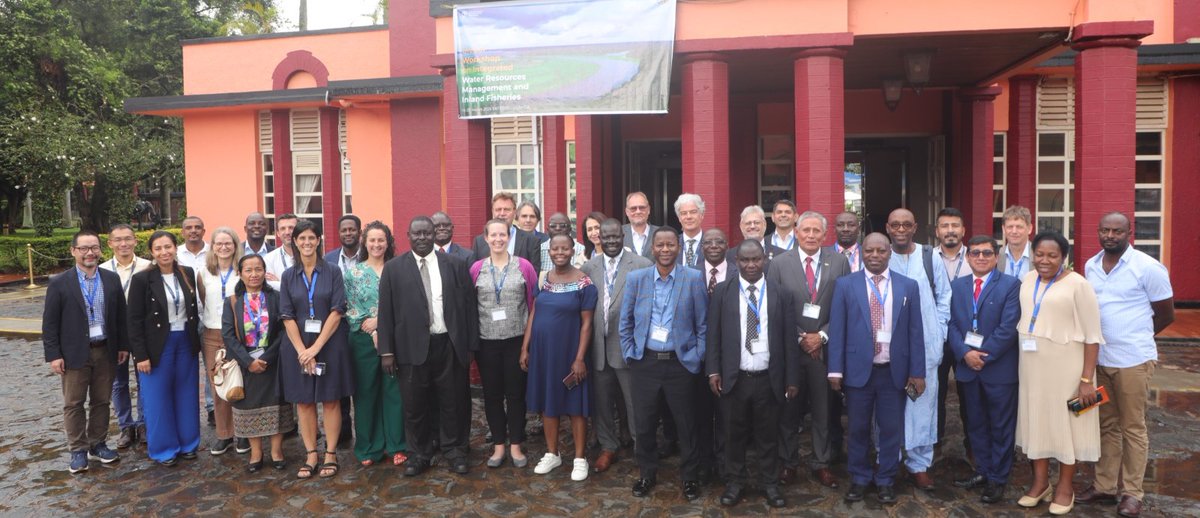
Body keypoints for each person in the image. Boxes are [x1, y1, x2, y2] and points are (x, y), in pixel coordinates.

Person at [1078, 212, 1175, 518]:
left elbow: (1166, 314)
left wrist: (1138, 335)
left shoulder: (1147, 268)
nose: (1110, 235)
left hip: (1133, 361)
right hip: (1100, 362)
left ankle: (1132, 493)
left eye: (1117, 231)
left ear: (1128, 233)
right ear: (1098, 232)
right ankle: (1104, 486)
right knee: (1106, 424)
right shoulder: (1090, 266)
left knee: (1133, 427)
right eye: (1105, 230)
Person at [827, 232, 926, 505]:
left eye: (880, 251)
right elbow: (837, 330)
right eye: (869, 250)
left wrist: (917, 372)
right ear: (863, 252)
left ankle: (885, 479)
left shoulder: (908, 286)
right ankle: (859, 478)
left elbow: (916, 332)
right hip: (859, 372)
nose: (874, 255)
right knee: (857, 428)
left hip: (892, 372)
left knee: (891, 429)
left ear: (889, 253)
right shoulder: (846, 285)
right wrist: (835, 370)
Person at [378, 216, 478, 476]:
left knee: (453, 400)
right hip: (410, 348)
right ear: (408, 236)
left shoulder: (455, 265)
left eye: (427, 233)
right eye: (417, 234)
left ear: (434, 235)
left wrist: (470, 345)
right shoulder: (394, 268)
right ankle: (420, 453)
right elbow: (385, 312)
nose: (422, 238)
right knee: (414, 404)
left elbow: (468, 307)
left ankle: (455, 450)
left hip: (449, 344)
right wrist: (386, 351)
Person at [1014, 231, 1103, 515]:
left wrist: (1087, 380)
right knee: (1037, 421)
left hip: (1069, 369)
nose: (1044, 260)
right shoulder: (1027, 280)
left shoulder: (1079, 285)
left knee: (1069, 426)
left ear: (1064, 257)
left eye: (1052, 255)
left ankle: (1066, 487)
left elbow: (1092, 336)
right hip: (1032, 367)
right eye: (1039, 254)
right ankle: (1040, 483)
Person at [707, 240, 799, 508]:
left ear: (764, 260)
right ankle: (735, 482)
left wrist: (792, 378)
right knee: (733, 435)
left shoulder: (781, 294)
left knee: (768, 436)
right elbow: (714, 336)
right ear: (736, 262)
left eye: (756, 260)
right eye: (745, 260)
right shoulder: (723, 292)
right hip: (735, 379)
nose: (750, 265)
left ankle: (770, 483)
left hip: (768, 380)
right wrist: (713, 371)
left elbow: (789, 342)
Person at [620, 226, 708, 501]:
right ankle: (647, 473)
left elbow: (702, 325)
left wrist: (695, 358)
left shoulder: (693, 278)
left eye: (671, 244)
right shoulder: (637, 279)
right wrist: (630, 354)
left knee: (686, 423)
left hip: (680, 364)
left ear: (678, 247)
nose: (666, 249)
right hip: (645, 363)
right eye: (660, 245)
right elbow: (626, 322)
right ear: (652, 248)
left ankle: (690, 477)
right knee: (644, 423)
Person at [769, 211, 851, 489]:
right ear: (796, 230)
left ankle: (821, 462)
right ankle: (788, 462)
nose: (812, 236)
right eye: (806, 231)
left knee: (823, 410)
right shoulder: (779, 263)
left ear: (825, 234)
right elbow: (774, 307)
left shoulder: (839, 262)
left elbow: (844, 305)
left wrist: (822, 336)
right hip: (791, 351)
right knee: (788, 411)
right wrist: (801, 337)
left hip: (824, 351)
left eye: (817, 231)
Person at [43, 230, 128, 473]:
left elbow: (120, 317)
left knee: (102, 400)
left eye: (94, 247)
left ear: (101, 250)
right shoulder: (60, 283)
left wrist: (123, 345)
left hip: (105, 350)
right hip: (73, 353)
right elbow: (49, 324)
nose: (90, 253)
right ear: (74, 251)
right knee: (74, 403)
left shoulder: (111, 279)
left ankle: (98, 443)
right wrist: (54, 355)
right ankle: (78, 449)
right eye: (84, 248)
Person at [277, 219, 355, 479]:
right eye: (302, 239)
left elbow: (337, 311)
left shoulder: (333, 271)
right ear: (294, 242)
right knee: (305, 402)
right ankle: (311, 453)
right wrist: (303, 350)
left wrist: (316, 347)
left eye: (311, 238)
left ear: (319, 240)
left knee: (331, 400)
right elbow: (287, 316)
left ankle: (330, 453)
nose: (307, 243)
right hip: (298, 346)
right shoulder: (288, 276)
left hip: (329, 345)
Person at [947, 235, 1021, 504]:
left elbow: (1008, 327)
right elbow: (952, 324)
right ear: (967, 256)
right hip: (968, 368)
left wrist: (983, 356)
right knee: (975, 425)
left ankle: (998, 479)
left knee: (1000, 426)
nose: (980, 257)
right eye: (975, 253)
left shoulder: (1011, 285)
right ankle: (983, 470)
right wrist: (965, 353)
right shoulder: (958, 285)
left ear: (996, 256)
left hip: (998, 370)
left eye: (987, 253)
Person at [522, 234, 598, 480]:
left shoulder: (584, 283)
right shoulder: (544, 279)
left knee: (576, 406)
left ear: (573, 250)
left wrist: (579, 358)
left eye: (565, 248)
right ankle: (552, 454)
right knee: (548, 404)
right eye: (555, 248)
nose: (560, 252)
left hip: (569, 352)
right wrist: (526, 347)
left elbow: (587, 324)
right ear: (550, 251)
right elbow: (534, 312)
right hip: (544, 353)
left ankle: (579, 458)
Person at [885, 208, 950, 490]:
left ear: (916, 227)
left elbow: (944, 297)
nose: (901, 229)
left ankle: (919, 464)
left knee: (921, 406)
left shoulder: (929, 256)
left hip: (925, 346)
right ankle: (889, 456)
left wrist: (940, 333)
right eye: (895, 225)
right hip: (888, 346)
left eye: (906, 225)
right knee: (889, 405)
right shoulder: (879, 254)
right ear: (888, 228)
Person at [581, 218, 652, 474]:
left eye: (615, 237)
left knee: (635, 404)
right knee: (602, 404)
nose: (610, 241)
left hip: (629, 350)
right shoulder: (589, 267)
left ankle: (641, 448)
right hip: (598, 349)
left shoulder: (642, 265)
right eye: (605, 237)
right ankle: (608, 447)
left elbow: (649, 308)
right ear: (599, 237)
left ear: (623, 237)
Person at [128, 230, 202, 467]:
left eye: (168, 246)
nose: (164, 252)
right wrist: (140, 355)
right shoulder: (142, 280)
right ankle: (164, 449)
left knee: (187, 394)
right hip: (157, 345)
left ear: (175, 248)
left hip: (185, 342)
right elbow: (134, 320)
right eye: (158, 248)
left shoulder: (186, 273)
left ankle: (188, 443)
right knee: (157, 398)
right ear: (151, 252)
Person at [470, 219, 538, 469]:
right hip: (486, 343)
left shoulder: (524, 267)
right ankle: (499, 445)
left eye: (503, 234)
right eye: (493, 235)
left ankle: (516, 445)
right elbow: (471, 306)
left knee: (516, 394)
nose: (498, 239)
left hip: (516, 341)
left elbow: (533, 306)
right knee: (492, 395)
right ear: (485, 238)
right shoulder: (477, 268)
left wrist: (527, 346)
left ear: (509, 237)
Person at [220, 253, 296, 472]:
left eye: (258, 270)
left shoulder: (277, 297)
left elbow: (284, 330)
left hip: (273, 361)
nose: (254, 275)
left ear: (265, 271)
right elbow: (228, 334)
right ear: (240, 273)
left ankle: (276, 450)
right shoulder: (232, 302)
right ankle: (256, 452)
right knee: (249, 406)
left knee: (276, 405)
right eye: (249, 270)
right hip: (246, 364)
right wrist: (247, 361)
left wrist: (266, 357)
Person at [344, 221, 408, 468]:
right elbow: (349, 307)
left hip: (394, 338)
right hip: (362, 339)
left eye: (381, 240)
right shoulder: (354, 272)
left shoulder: (398, 269)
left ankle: (396, 445)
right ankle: (368, 446)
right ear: (365, 242)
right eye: (372, 240)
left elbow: (405, 304)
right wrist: (370, 329)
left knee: (394, 393)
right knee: (366, 393)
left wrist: (381, 323)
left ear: (388, 242)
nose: (377, 244)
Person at [196, 227, 247, 455]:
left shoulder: (243, 270)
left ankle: (244, 433)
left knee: (241, 383)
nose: (224, 247)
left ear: (235, 246)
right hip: (212, 334)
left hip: (239, 334)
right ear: (212, 246)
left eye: (228, 243)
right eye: (219, 243)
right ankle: (224, 434)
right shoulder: (203, 272)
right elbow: (203, 300)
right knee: (218, 385)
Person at [100, 224, 151, 449]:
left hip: (142, 332)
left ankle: (143, 423)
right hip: (115, 334)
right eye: (118, 240)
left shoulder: (148, 267)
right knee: (118, 382)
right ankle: (125, 426)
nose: (123, 244)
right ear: (110, 243)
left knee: (144, 380)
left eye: (128, 239)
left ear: (135, 241)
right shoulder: (102, 270)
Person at [934, 207, 973, 460]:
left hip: (966, 335)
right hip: (936, 333)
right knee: (934, 393)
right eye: (945, 226)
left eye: (955, 225)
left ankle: (973, 445)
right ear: (937, 231)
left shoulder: (977, 256)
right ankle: (933, 443)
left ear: (963, 230)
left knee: (968, 393)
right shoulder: (927, 257)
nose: (950, 230)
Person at [472, 192, 541, 270]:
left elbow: (533, 275)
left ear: (515, 212)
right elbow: (475, 273)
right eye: (498, 209)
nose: (502, 213)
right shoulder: (479, 241)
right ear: (492, 211)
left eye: (506, 209)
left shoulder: (531, 240)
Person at [263, 213, 299, 291]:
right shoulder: (269, 258)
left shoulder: (308, 256)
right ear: (278, 233)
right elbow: (269, 286)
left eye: (291, 228)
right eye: (283, 228)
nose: (287, 232)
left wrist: (280, 283)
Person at [997, 205, 1033, 278]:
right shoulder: (997, 255)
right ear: (1003, 229)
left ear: (1029, 229)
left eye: (1019, 227)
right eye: (1010, 227)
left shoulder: (1039, 255)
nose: (1014, 231)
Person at [622, 191, 658, 259]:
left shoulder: (660, 233)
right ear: (627, 212)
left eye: (642, 208)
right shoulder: (619, 233)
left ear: (649, 210)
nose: (638, 211)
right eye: (633, 208)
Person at [675, 193, 706, 269]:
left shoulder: (712, 243)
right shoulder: (673, 244)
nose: (688, 217)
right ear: (679, 218)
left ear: (702, 215)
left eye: (693, 212)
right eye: (684, 213)